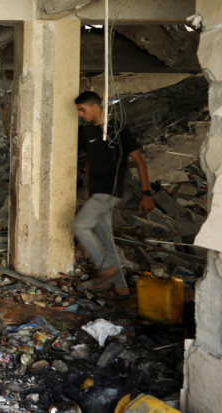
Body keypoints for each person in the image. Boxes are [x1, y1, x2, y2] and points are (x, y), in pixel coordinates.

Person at [72, 91, 155, 297]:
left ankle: (106, 269)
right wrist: (90, 193)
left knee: (79, 225)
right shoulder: (88, 131)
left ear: (96, 107)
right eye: (79, 111)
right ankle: (121, 287)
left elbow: (140, 161)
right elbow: (91, 164)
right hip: (97, 192)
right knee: (105, 237)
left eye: (83, 110)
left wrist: (147, 194)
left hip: (111, 190)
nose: (81, 114)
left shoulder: (118, 128)